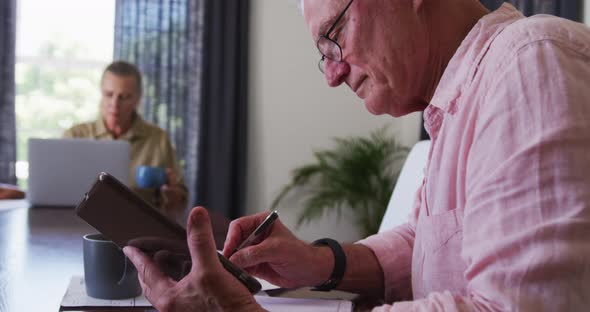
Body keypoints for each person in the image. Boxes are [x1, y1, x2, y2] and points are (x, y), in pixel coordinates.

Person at [123, 0, 590, 311]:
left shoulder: (531, 62)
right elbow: (437, 242)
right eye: (323, 52)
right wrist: (324, 262)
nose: (333, 72)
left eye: (335, 32)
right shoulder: (462, 102)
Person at [64, 61, 187, 216]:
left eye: (124, 97)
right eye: (109, 94)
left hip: (139, 225)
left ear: (137, 100)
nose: (114, 104)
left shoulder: (158, 139)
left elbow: (181, 201)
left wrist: (171, 194)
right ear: (101, 93)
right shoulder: (75, 136)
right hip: (80, 221)